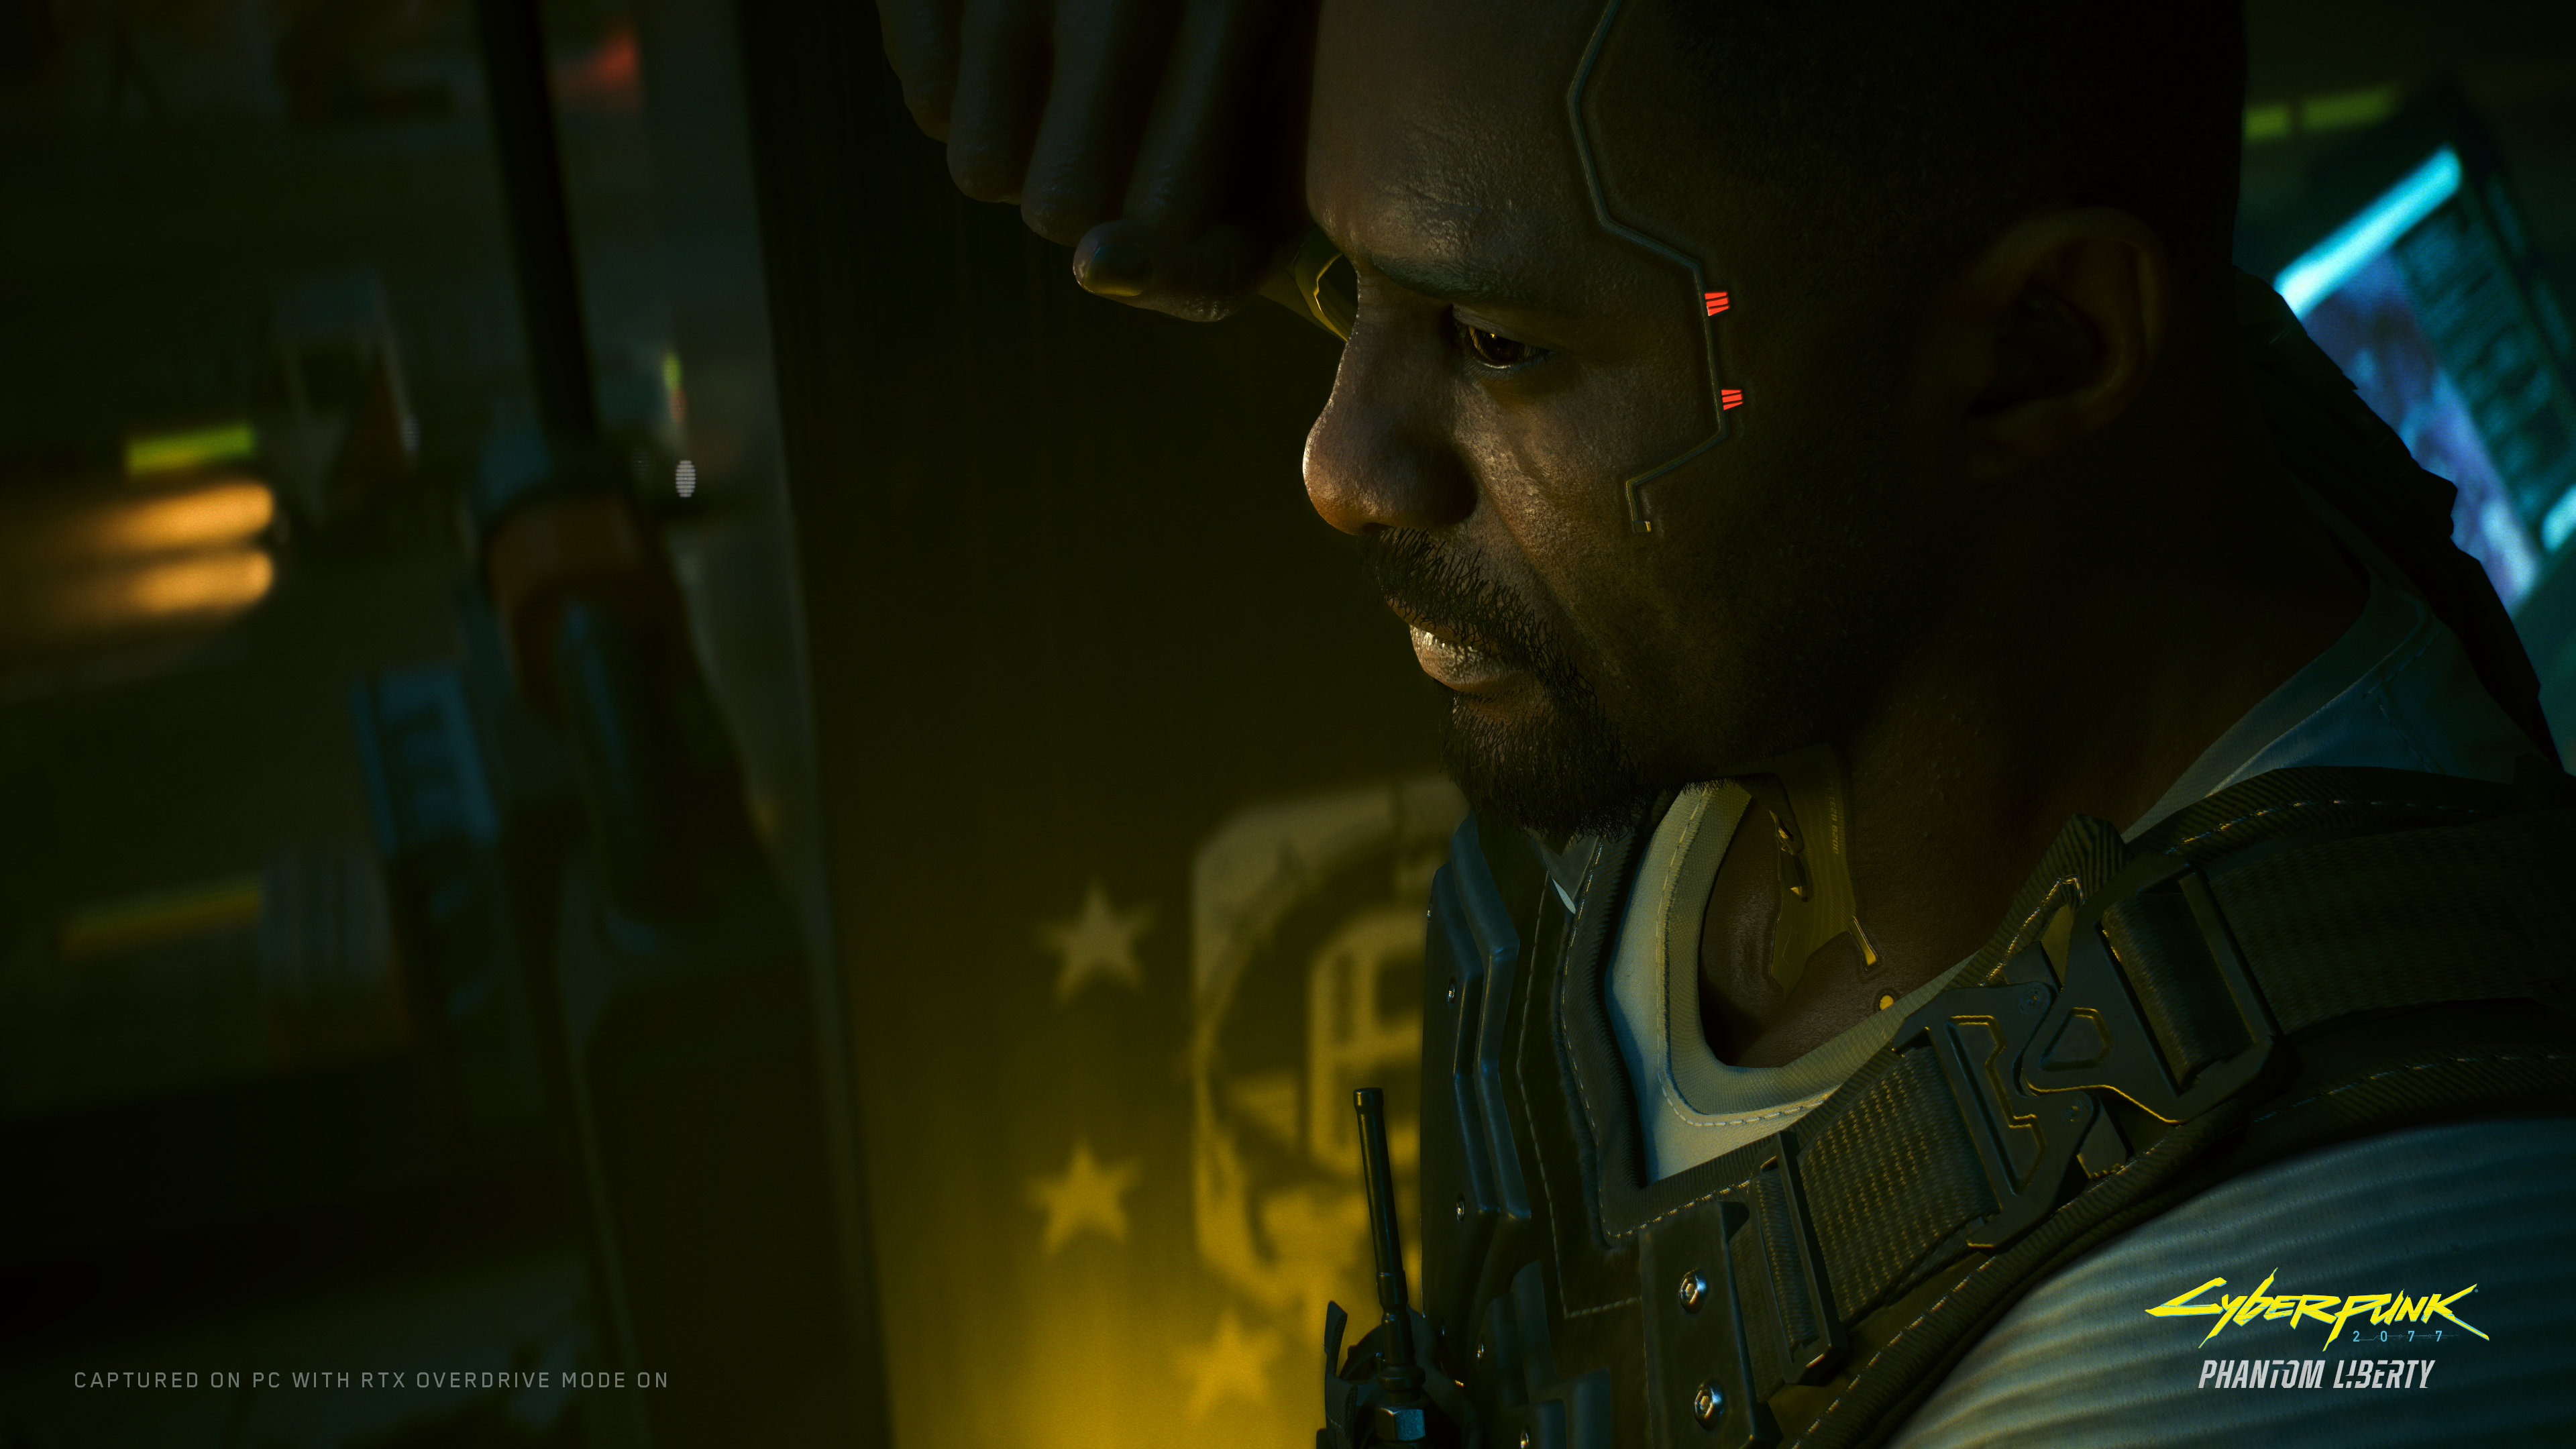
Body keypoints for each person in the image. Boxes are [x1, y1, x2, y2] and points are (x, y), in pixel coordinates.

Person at [874, 1, 2576, 1442]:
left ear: (2039, 353)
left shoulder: (2252, 1350)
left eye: (1496, 341)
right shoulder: (2071, 460)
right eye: (1345, 291)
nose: (1339, 466)